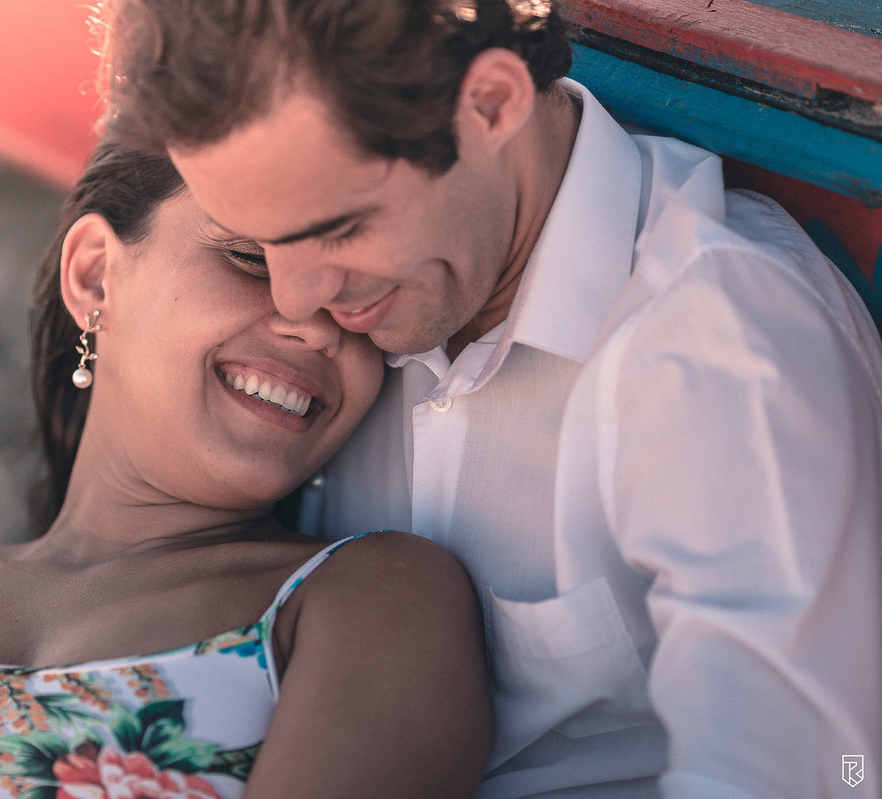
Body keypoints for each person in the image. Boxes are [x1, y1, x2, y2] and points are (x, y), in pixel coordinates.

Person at [99, 0, 882, 795]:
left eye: (334, 227)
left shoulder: (720, 351)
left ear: (492, 105)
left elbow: (829, 774)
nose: (296, 302)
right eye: (251, 241)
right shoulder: (362, 316)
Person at [0, 140, 492, 798]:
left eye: (360, 300)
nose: (316, 327)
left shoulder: (371, 600)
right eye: (252, 259)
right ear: (96, 274)